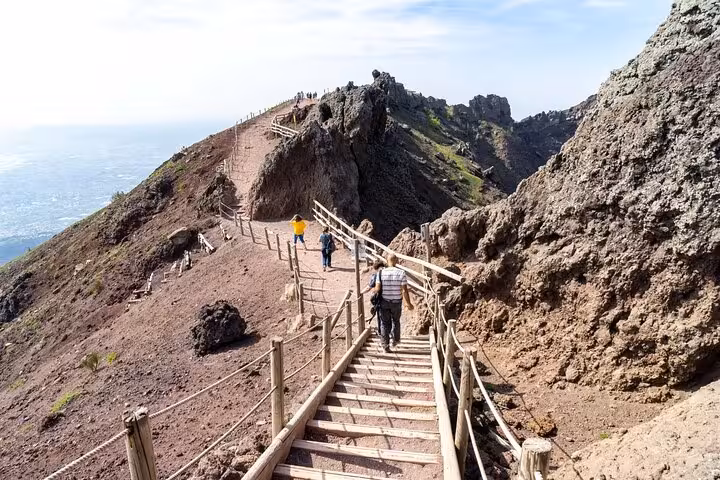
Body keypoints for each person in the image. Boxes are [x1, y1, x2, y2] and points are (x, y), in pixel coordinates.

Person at [373, 254, 414, 352]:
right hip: (396, 302)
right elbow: (404, 290)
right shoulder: (401, 273)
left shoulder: (380, 273)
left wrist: (373, 292)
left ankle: (385, 346)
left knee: (384, 323)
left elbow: (377, 289)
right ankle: (395, 340)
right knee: (396, 321)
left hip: (384, 301)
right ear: (397, 261)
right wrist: (408, 303)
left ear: (387, 261)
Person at [361, 260, 384, 332]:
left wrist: (361, 293)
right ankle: (392, 336)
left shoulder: (376, 275)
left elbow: (369, 287)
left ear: (375, 268)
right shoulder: (389, 273)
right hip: (392, 297)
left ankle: (382, 334)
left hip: (380, 299)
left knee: (381, 317)